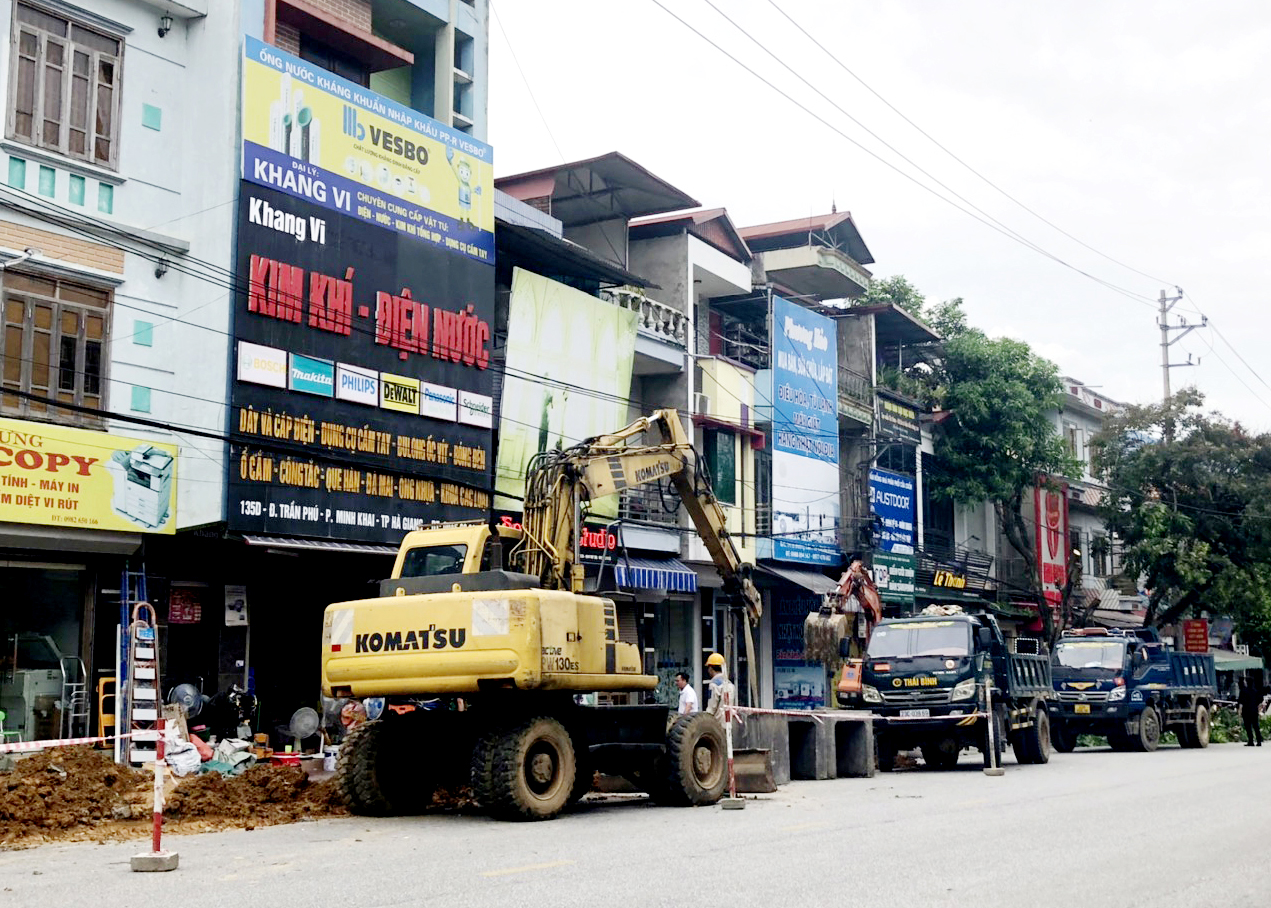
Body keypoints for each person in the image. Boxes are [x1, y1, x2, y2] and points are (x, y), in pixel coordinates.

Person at [705, 652, 735, 724]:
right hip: (728, 721)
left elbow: (712, 707)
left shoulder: (714, 684)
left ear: (710, 668)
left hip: (717, 723)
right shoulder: (729, 683)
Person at [1237, 678, 1263, 747]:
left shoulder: (1243, 691)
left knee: (1248, 727)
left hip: (1246, 711)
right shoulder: (1255, 691)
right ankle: (1259, 741)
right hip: (1254, 710)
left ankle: (1251, 741)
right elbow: (1260, 701)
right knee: (1256, 726)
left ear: (1247, 683)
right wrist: (1259, 709)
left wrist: (1239, 712)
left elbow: (1241, 702)